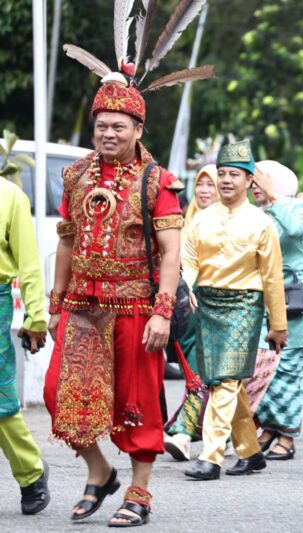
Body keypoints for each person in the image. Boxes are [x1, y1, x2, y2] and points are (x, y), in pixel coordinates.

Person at [44, 78, 184, 526]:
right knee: (57, 395)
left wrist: (162, 312)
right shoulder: (76, 175)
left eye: (118, 126)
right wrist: (55, 304)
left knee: (136, 402)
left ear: (138, 129)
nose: (108, 134)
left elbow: (171, 253)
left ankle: (139, 492)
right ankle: (100, 472)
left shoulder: (157, 181)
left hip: (135, 308)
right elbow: (66, 242)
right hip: (81, 307)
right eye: (102, 125)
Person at [182, 140, 288, 481]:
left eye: (235, 174)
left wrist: (278, 324)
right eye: (223, 174)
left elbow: (272, 277)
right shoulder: (200, 219)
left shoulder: (262, 223)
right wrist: (189, 286)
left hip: (244, 305)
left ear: (248, 180)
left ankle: (211, 456)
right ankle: (251, 451)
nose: (227, 180)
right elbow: (188, 259)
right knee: (222, 381)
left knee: (226, 379)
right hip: (207, 303)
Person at [250, 160, 303, 461]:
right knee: (263, 365)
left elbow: (294, 228)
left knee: (289, 366)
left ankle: (287, 436)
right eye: (253, 182)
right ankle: (269, 428)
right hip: (264, 298)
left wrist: (274, 197)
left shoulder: (301, 207)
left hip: (294, 300)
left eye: (260, 181)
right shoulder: (255, 213)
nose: (255, 186)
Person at [0, 175, 50, 515]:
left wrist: (36, 317)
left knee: (0, 399)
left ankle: (31, 473)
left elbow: (29, 265)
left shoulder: (10, 196)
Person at [164, 165, 219, 461]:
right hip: (188, 308)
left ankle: (183, 433)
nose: (204, 190)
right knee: (197, 373)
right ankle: (220, 433)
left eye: (211, 185)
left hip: (219, 307)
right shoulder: (186, 221)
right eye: (200, 184)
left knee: (203, 374)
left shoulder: (229, 222)